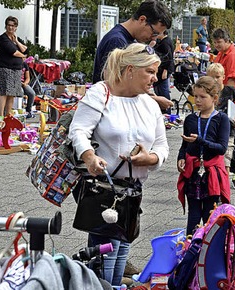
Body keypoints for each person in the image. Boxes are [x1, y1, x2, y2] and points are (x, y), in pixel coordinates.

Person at [68, 43, 169, 286]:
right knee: (106, 253)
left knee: (121, 249)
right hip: (104, 191)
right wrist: (90, 156)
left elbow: (162, 146)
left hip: (132, 194)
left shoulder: (150, 104)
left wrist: (151, 159)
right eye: (150, 72)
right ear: (131, 70)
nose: (155, 78)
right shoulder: (101, 93)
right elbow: (78, 130)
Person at [91, 0, 173, 111]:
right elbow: (117, 85)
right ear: (142, 20)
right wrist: (154, 100)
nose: (154, 38)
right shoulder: (117, 41)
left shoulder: (128, 39)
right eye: (154, 33)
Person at [176, 76, 231, 235]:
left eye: (202, 97)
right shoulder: (191, 119)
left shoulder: (222, 119)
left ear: (214, 98)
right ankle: (189, 246)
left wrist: (200, 140)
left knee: (209, 214)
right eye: (196, 97)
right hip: (193, 172)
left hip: (211, 173)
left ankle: (207, 249)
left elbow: (221, 148)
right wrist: (181, 157)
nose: (197, 101)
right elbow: (185, 145)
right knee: (193, 214)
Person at [207, 63, 235, 173]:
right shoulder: (209, 92)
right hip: (213, 129)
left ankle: (225, 179)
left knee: (227, 156)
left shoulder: (230, 90)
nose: (214, 80)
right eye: (211, 77)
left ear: (223, 77)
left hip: (229, 128)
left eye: (217, 77)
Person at [0, 16, 27, 117]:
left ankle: (8, 116)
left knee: (12, 94)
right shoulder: (3, 38)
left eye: (13, 26)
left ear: (16, 27)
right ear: (6, 26)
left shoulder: (15, 38)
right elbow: (13, 52)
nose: (10, 28)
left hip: (16, 70)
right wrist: (24, 56)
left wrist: (17, 41)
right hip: (5, 68)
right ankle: (1, 116)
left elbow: (25, 50)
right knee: (3, 92)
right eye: (9, 25)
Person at [212, 28, 235, 96]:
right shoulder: (221, 53)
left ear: (227, 41)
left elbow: (231, 82)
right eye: (214, 42)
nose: (216, 45)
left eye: (219, 42)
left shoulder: (233, 56)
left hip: (229, 98)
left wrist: (225, 99)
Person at [153, 31, 174, 114]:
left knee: (162, 90)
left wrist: (165, 70)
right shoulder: (164, 41)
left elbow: (169, 57)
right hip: (162, 69)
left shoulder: (165, 43)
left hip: (163, 70)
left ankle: (166, 111)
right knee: (160, 89)